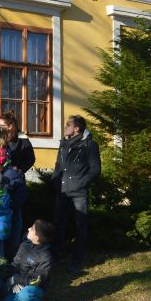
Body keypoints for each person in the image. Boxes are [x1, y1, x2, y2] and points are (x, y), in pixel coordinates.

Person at [52, 115, 101, 271]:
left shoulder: (89, 145)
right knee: (58, 225)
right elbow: (58, 165)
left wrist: (81, 183)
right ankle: (56, 257)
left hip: (79, 193)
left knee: (80, 226)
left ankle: (77, 260)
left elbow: (95, 169)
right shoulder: (64, 143)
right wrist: (55, 180)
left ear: (77, 128)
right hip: (62, 191)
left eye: (68, 125)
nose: (65, 127)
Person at [0, 220, 54, 301]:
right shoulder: (24, 245)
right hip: (18, 284)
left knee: (26, 294)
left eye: (32, 229)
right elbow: (15, 264)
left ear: (37, 238)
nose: (28, 229)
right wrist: (12, 281)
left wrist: (17, 280)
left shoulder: (45, 256)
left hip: (33, 288)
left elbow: (37, 280)